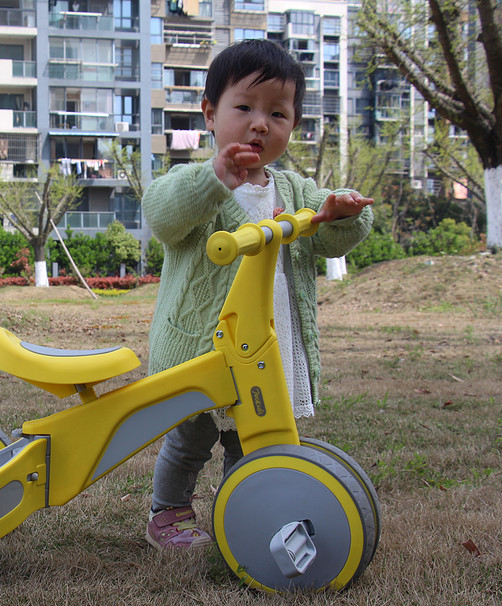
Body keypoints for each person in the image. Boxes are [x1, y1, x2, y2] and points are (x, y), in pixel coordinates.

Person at [143, 39, 374, 550]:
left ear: (292, 125)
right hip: (202, 347)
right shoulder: (195, 181)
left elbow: (333, 234)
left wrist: (344, 209)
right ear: (210, 113)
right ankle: (168, 512)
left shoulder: (293, 191)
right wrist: (214, 181)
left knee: (251, 438)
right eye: (243, 107)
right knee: (190, 438)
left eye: (278, 113)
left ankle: (242, 511)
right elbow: (162, 214)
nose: (260, 123)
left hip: (268, 340)